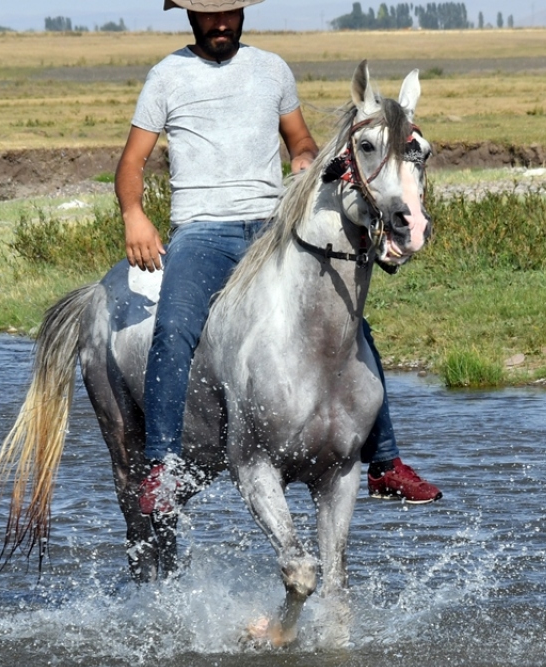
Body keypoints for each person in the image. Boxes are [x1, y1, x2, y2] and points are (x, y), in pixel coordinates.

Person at [116, 0, 442, 512]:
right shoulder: (166, 76)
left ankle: (384, 462)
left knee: (350, 322)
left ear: (242, 14)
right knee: (175, 328)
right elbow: (132, 160)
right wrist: (135, 215)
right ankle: (162, 465)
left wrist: (307, 166)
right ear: (190, 18)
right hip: (203, 232)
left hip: (272, 226)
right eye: (207, 14)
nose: (219, 23)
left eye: (228, 13)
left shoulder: (272, 69)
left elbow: (299, 142)